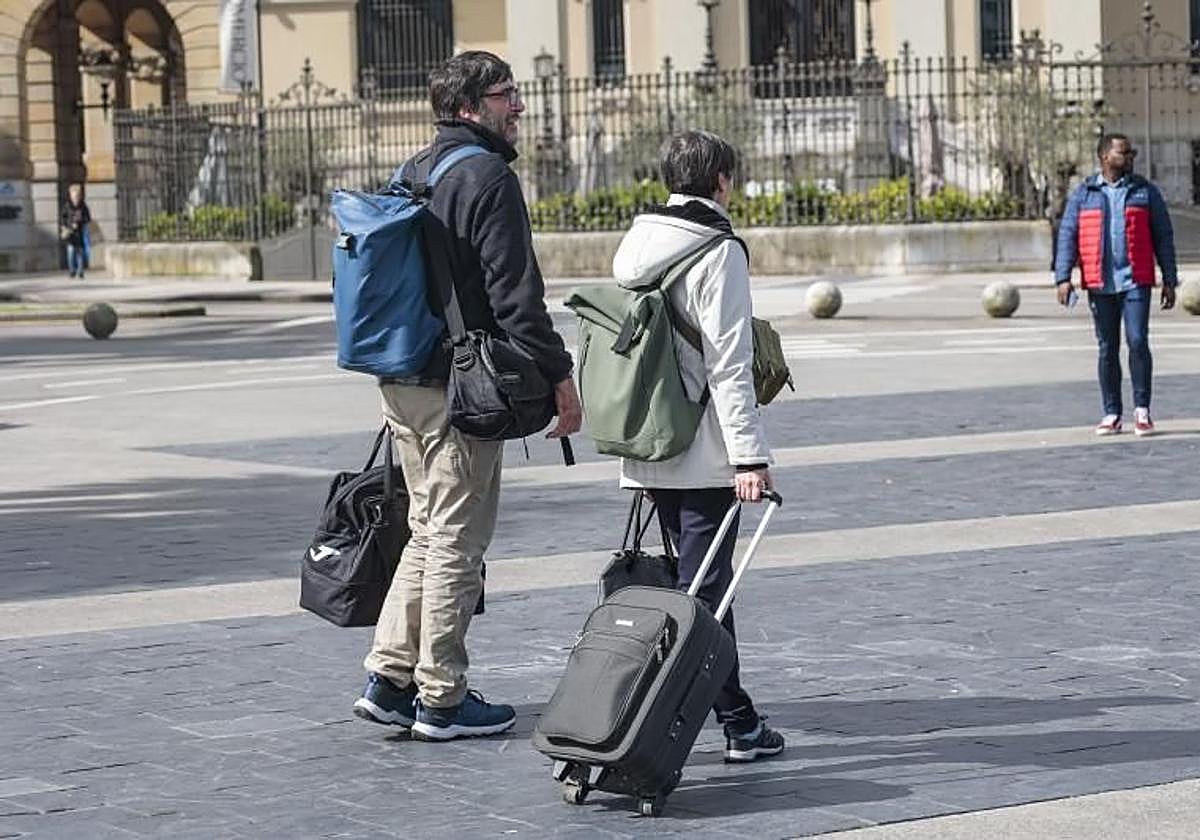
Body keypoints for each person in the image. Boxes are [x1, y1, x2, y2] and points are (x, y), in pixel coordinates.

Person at [352, 51, 582, 741]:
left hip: (402, 381)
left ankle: (390, 678)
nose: (518, 107)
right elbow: (518, 298)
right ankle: (442, 697)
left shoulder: (412, 171)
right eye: (507, 95)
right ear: (470, 106)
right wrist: (560, 378)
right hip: (460, 387)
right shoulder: (486, 177)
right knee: (457, 538)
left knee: (428, 527)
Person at [611, 130, 785, 763]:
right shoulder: (718, 250)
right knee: (707, 591)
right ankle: (722, 720)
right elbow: (730, 362)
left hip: (651, 439)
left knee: (701, 585)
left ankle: (737, 718)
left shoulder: (640, 244)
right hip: (707, 446)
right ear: (722, 181)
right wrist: (749, 457)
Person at [1054, 133, 1178, 437]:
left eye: (1131, 152)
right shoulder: (1085, 193)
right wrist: (1063, 278)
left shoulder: (1144, 192)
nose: (1130, 157)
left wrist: (1170, 280)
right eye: (1124, 152)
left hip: (1136, 280)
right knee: (1107, 348)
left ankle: (1142, 410)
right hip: (1100, 283)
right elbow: (1068, 235)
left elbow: (1163, 236)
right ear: (1105, 157)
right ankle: (1111, 412)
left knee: (1137, 341)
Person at [61, 183, 91, 280]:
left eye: (77, 196)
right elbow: (63, 217)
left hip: (80, 233)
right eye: (73, 196)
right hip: (70, 233)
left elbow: (87, 218)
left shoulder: (83, 206)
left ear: (80, 195)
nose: (75, 198)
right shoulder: (67, 205)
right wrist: (65, 226)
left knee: (80, 253)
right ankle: (72, 270)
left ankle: (80, 271)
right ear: (70, 195)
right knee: (70, 252)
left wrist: (80, 222)